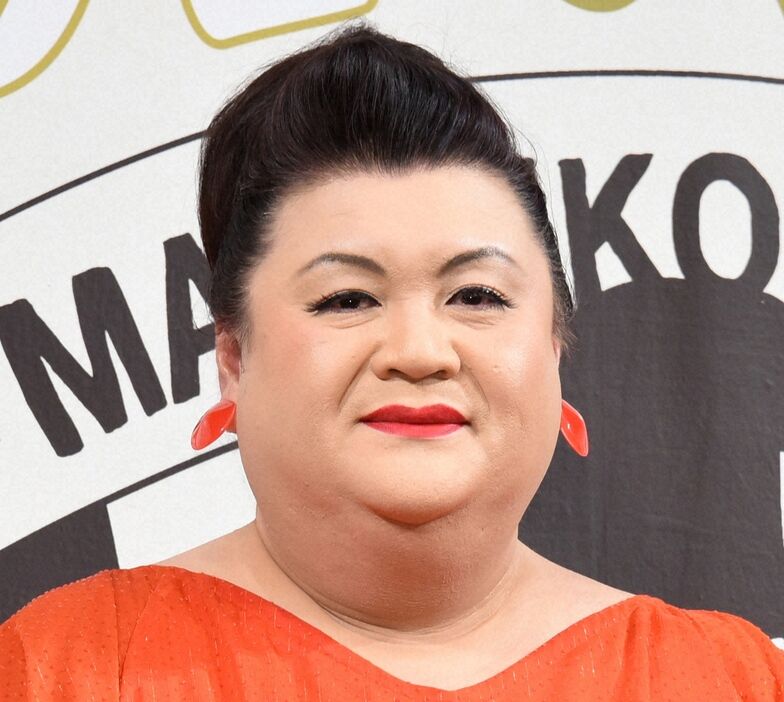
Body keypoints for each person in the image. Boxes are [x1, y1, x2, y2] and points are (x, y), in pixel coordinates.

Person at [1, 22, 782, 701]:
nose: (418, 352)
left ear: (553, 347)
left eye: (477, 295)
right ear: (233, 359)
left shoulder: (729, 679)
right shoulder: (66, 667)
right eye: (347, 299)